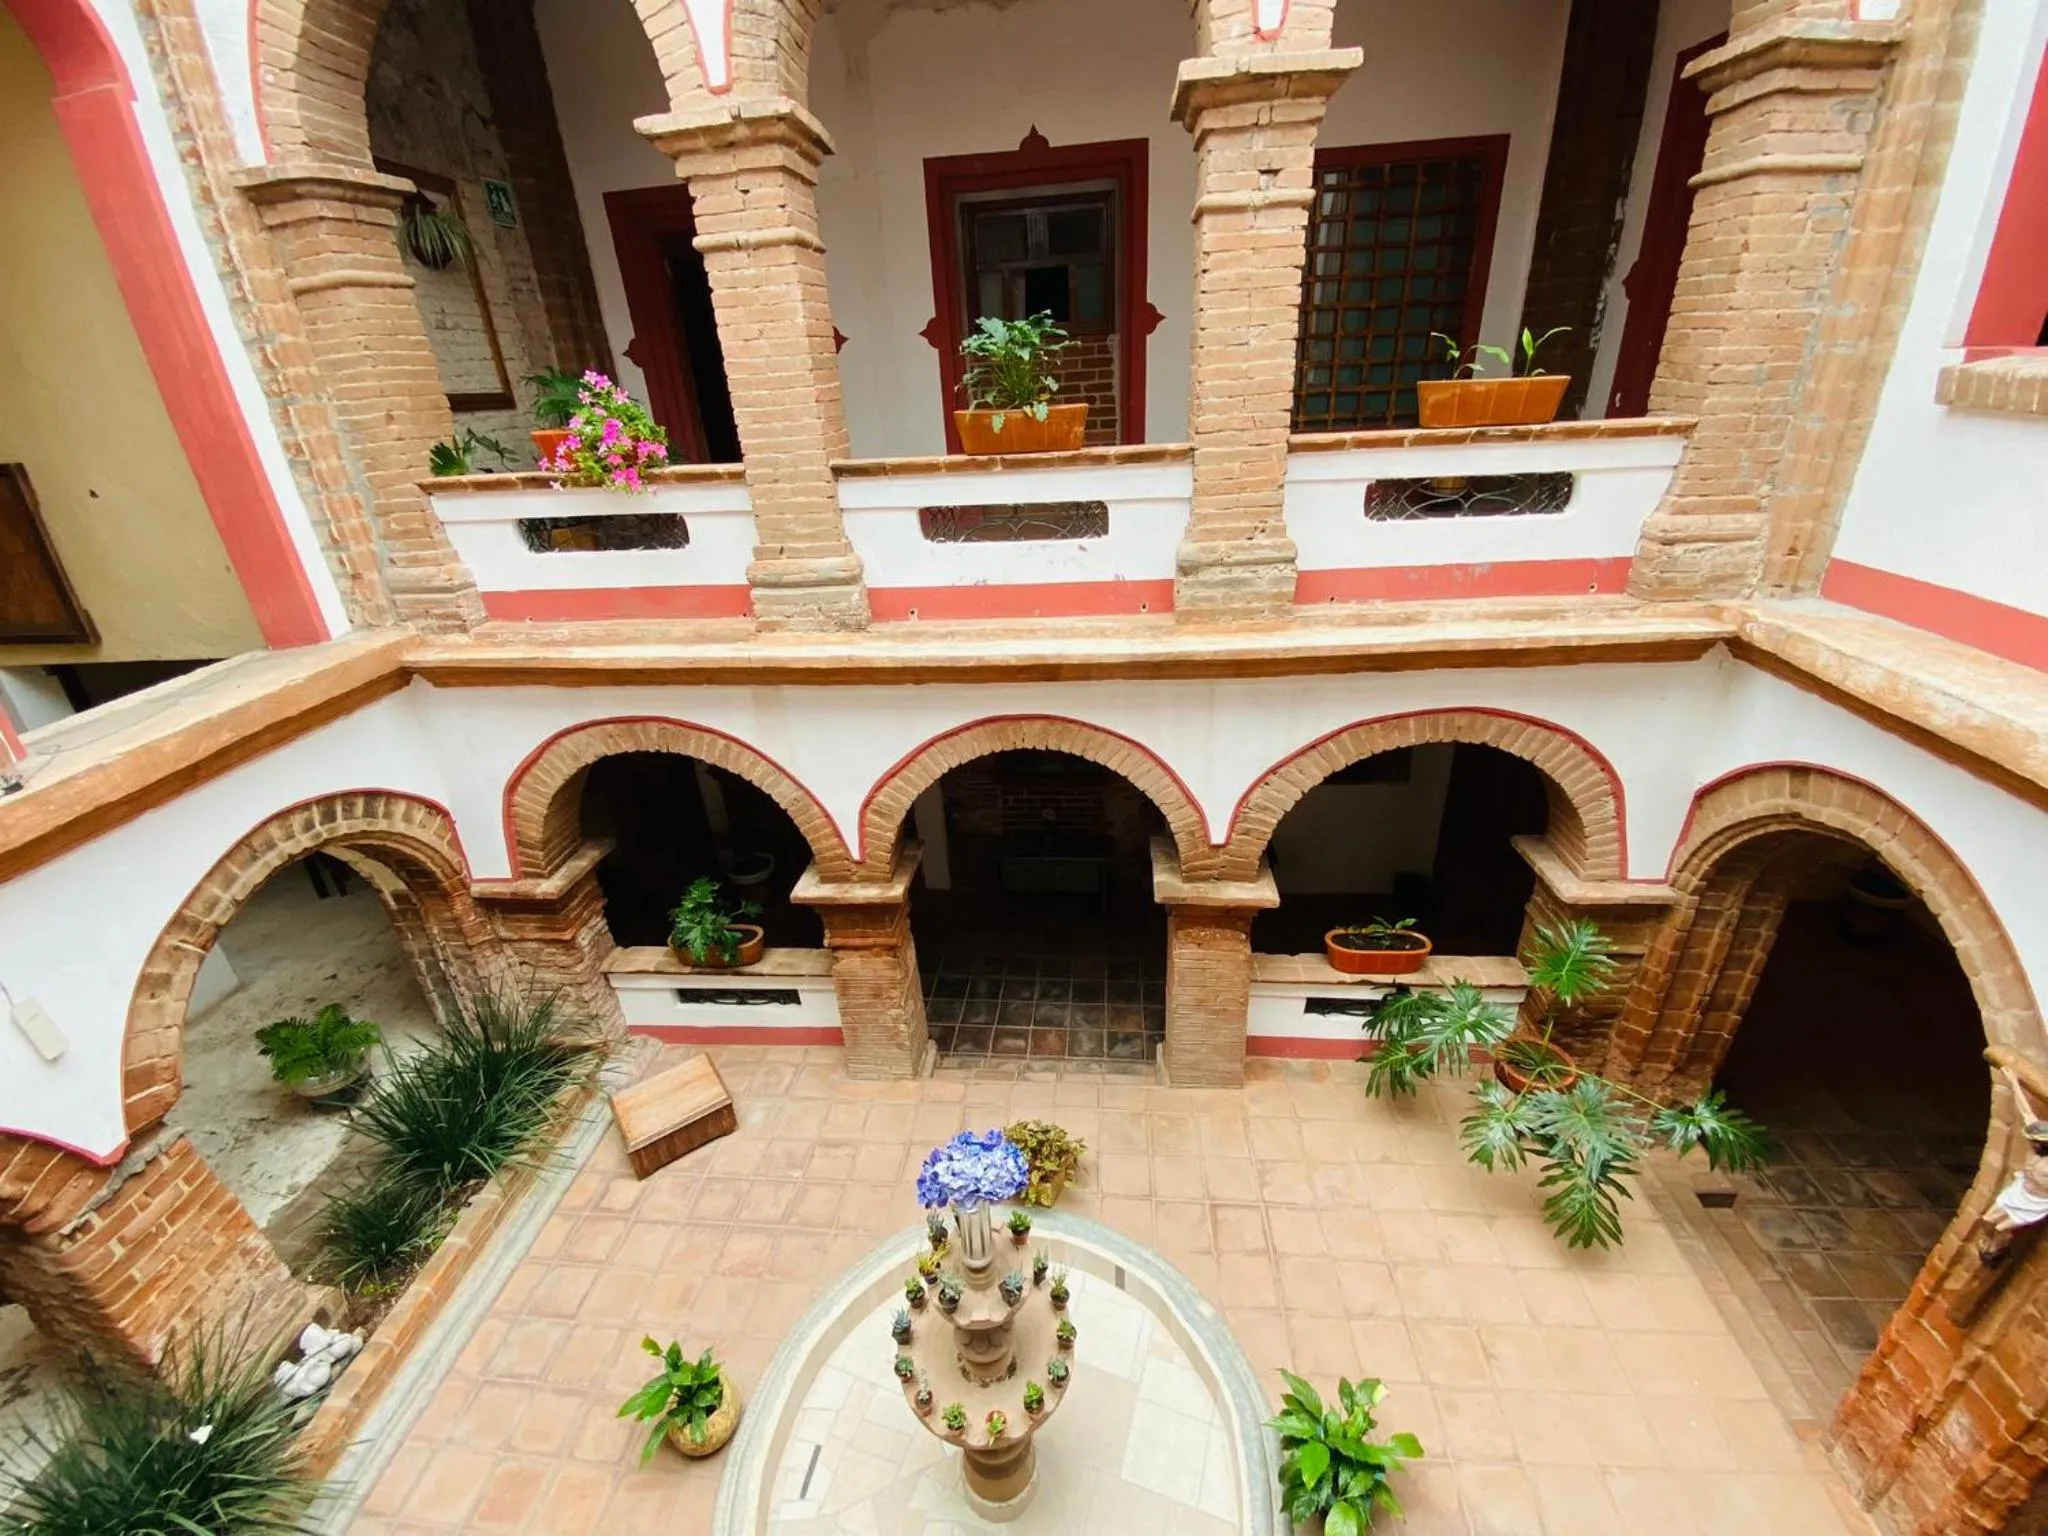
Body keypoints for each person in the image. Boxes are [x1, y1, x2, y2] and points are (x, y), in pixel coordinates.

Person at [1977, 1067, 2048, 1267]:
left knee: (2001, 1229)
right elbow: (2026, 1110)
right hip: (2020, 1191)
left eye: (2033, 1140)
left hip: (2036, 1203)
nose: (2030, 1142)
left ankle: (1999, 1250)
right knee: (1988, 1221)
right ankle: (1994, 1242)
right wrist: (2014, 1081)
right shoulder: (2033, 1150)